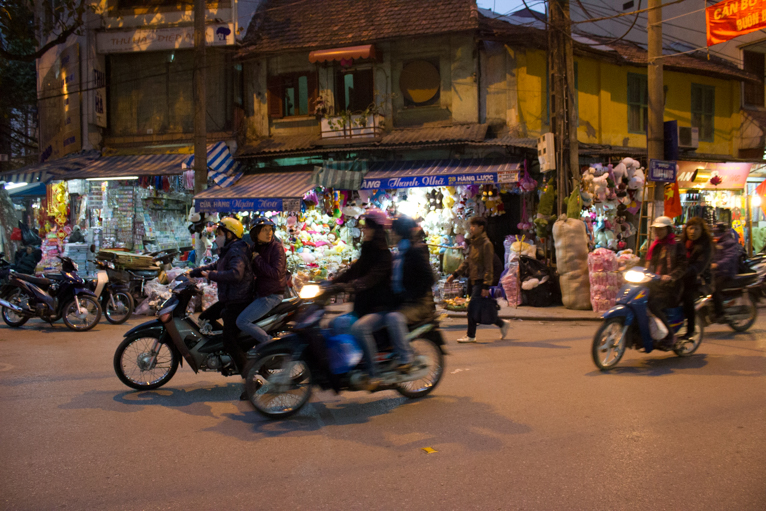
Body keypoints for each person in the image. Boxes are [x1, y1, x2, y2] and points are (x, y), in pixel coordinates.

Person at [331, 210, 393, 387]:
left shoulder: (384, 255)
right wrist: (332, 283)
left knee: (359, 328)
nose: (363, 230)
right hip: (364, 305)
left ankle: (374, 374)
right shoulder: (368, 250)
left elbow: (372, 278)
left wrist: (354, 285)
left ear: (376, 229)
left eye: (367, 227)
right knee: (335, 324)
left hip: (380, 307)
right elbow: (355, 270)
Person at [190, 218, 254, 379]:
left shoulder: (236, 251)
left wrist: (211, 275)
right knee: (205, 317)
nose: (216, 237)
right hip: (229, 299)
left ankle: (251, 380)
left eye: (219, 234)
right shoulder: (230, 250)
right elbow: (216, 266)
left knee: (230, 341)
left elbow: (236, 274)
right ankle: (223, 349)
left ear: (230, 235)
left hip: (238, 301)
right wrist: (194, 272)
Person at [382, 216, 435, 372]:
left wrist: (410, 295)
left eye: (393, 231)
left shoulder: (415, 251)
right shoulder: (400, 252)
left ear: (399, 233)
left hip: (419, 303)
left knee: (393, 318)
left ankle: (406, 358)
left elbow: (429, 278)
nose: (390, 234)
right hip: (403, 301)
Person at [447, 216, 509, 343]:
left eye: (474, 226)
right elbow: (467, 262)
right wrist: (455, 274)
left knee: (472, 308)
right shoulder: (474, 243)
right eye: (471, 226)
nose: (471, 228)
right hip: (474, 279)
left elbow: (488, 266)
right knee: (481, 308)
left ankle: (471, 335)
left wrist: (486, 285)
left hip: (481, 281)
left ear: (481, 228)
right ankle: (501, 324)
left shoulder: (486, 244)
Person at [236, 217, 287, 345]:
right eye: (265, 230)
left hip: (271, 295)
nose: (269, 233)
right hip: (260, 292)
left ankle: (270, 345)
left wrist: (258, 259)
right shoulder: (255, 248)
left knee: (242, 321)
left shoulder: (276, 248)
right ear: (255, 233)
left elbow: (276, 273)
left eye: (270, 230)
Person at [646, 216, 686, 348]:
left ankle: (669, 335)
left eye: (661, 229)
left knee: (653, 304)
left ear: (668, 230)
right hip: (655, 284)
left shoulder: (677, 246)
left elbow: (682, 266)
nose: (657, 232)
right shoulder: (655, 246)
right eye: (656, 229)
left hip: (671, 288)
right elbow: (646, 262)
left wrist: (671, 276)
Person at [679, 217, 713, 339]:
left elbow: (699, 266)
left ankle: (690, 330)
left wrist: (682, 273)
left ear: (701, 230)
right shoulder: (682, 243)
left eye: (696, 229)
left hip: (699, 280)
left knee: (687, 297)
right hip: (681, 277)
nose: (693, 231)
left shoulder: (705, 246)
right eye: (691, 228)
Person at [710, 222, 741, 323]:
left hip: (727, 273)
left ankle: (720, 314)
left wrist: (717, 264)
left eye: (717, 232)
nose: (716, 234)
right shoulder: (717, 242)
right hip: (717, 272)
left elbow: (730, 257)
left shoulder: (729, 242)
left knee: (715, 288)